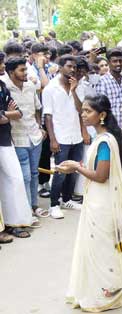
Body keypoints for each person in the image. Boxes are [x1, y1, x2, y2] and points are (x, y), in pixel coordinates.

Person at [58, 95, 122, 311]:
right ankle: (106, 290)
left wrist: (75, 167)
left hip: (102, 203)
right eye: (82, 110)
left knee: (102, 247)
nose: (83, 115)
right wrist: (77, 165)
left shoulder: (104, 142)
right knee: (102, 246)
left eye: (88, 111)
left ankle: (106, 294)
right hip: (99, 199)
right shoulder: (104, 138)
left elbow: (101, 176)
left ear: (101, 115)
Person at [43, 55, 85, 218]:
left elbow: (81, 110)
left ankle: (67, 199)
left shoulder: (77, 86)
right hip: (60, 137)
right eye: (69, 66)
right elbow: (47, 116)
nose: (72, 69)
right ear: (60, 67)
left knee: (74, 170)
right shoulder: (50, 88)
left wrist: (74, 90)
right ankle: (54, 204)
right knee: (60, 172)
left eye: (74, 67)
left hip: (76, 135)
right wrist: (53, 139)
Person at [5, 57, 46, 218]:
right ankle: (26, 210)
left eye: (25, 69)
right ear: (10, 72)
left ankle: (34, 206)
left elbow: (37, 108)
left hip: (35, 136)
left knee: (34, 173)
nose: (25, 72)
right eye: (21, 70)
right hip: (17, 138)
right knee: (25, 176)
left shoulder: (30, 86)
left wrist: (40, 127)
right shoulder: (5, 89)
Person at [0, 72, 33, 239]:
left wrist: (4, 114)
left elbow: (18, 113)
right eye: (1, 64)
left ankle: (15, 223)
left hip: (5, 140)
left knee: (15, 180)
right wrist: (7, 114)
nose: (3, 68)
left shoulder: (2, 87)